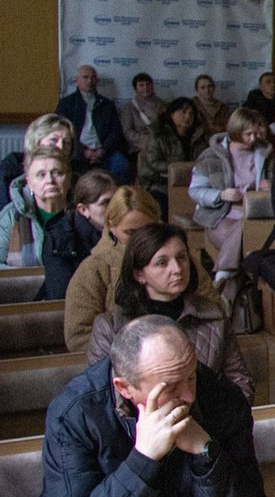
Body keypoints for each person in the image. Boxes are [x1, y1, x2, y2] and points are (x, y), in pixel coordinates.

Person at [16, 316, 263, 497]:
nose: (189, 396)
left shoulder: (224, 400)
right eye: (171, 387)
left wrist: (206, 452)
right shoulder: (75, 413)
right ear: (124, 388)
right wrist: (143, 459)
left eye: (191, 377)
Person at [87, 223, 253, 399]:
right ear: (139, 274)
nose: (177, 269)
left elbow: (240, 382)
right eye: (162, 263)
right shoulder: (110, 326)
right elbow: (104, 396)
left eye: (182, 257)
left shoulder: (213, 315)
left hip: (205, 414)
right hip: (143, 416)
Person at [64, 186, 170, 351]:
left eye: (147, 230)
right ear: (112, 227)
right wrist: (133, 356)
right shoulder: (93, 270)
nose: (140, 239)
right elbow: (79, 335)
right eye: (130, 233)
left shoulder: (179, 261)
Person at [189, 108, 274, 282]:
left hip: (256, 216)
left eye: (256, 133)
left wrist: (271, 188)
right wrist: (220, 195)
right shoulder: (211, 155)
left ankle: (223, 276)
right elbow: (195, 190)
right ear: (235, 131)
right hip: (221, 217)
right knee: (245, 240)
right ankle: (231, 282)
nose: (253, 139)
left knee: (247, 231)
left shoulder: (265, 154)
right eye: (248, 134)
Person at [38, 170, 114, 302]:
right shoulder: (60, 239)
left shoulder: (126, 231)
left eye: (116, 201)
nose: (115, 208)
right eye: (105, 203)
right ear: (83, 210)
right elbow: (61, 296)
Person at [55, 65, 132, 182]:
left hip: (104, 152)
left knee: (122, 165)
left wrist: (103, 150)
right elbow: (61, 132)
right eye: (85, 77)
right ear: (77, 80)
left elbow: (115, 131)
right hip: (77, 152)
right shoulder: (66, 104)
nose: (90, 81)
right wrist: (83, 151)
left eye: (93, 77)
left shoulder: (107, 104)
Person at [1, 148, 72, 269]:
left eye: (57, 173)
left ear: (69, 178)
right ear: (29, 183)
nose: (50, 180)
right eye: (41, 175)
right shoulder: (11, 215)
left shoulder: (83, 212)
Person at [137, 97, 204, 218]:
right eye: (183, 112)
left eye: (191, 113)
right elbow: (153, 162)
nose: (188, 116)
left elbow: (204, 160)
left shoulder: (198, 136)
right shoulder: (158, 134)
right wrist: (178, 168)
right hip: (161, 182)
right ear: (172, 113)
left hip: (192, 182)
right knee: (161, 207)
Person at [1, 113, 75, 193]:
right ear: (36, 142)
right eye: (53, 140)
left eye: (67, 142)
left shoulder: (77, 171)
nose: (61, 146)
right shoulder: (9, 171)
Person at [118, 71, 165, 159]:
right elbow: (127, 132)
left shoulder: (162, 104)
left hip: (161, 145)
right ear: (135, 89)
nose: (145, 88)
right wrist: (148, 141)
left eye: (148, 84)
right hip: (139, 147)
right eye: (141, 85)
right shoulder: (129, 107)